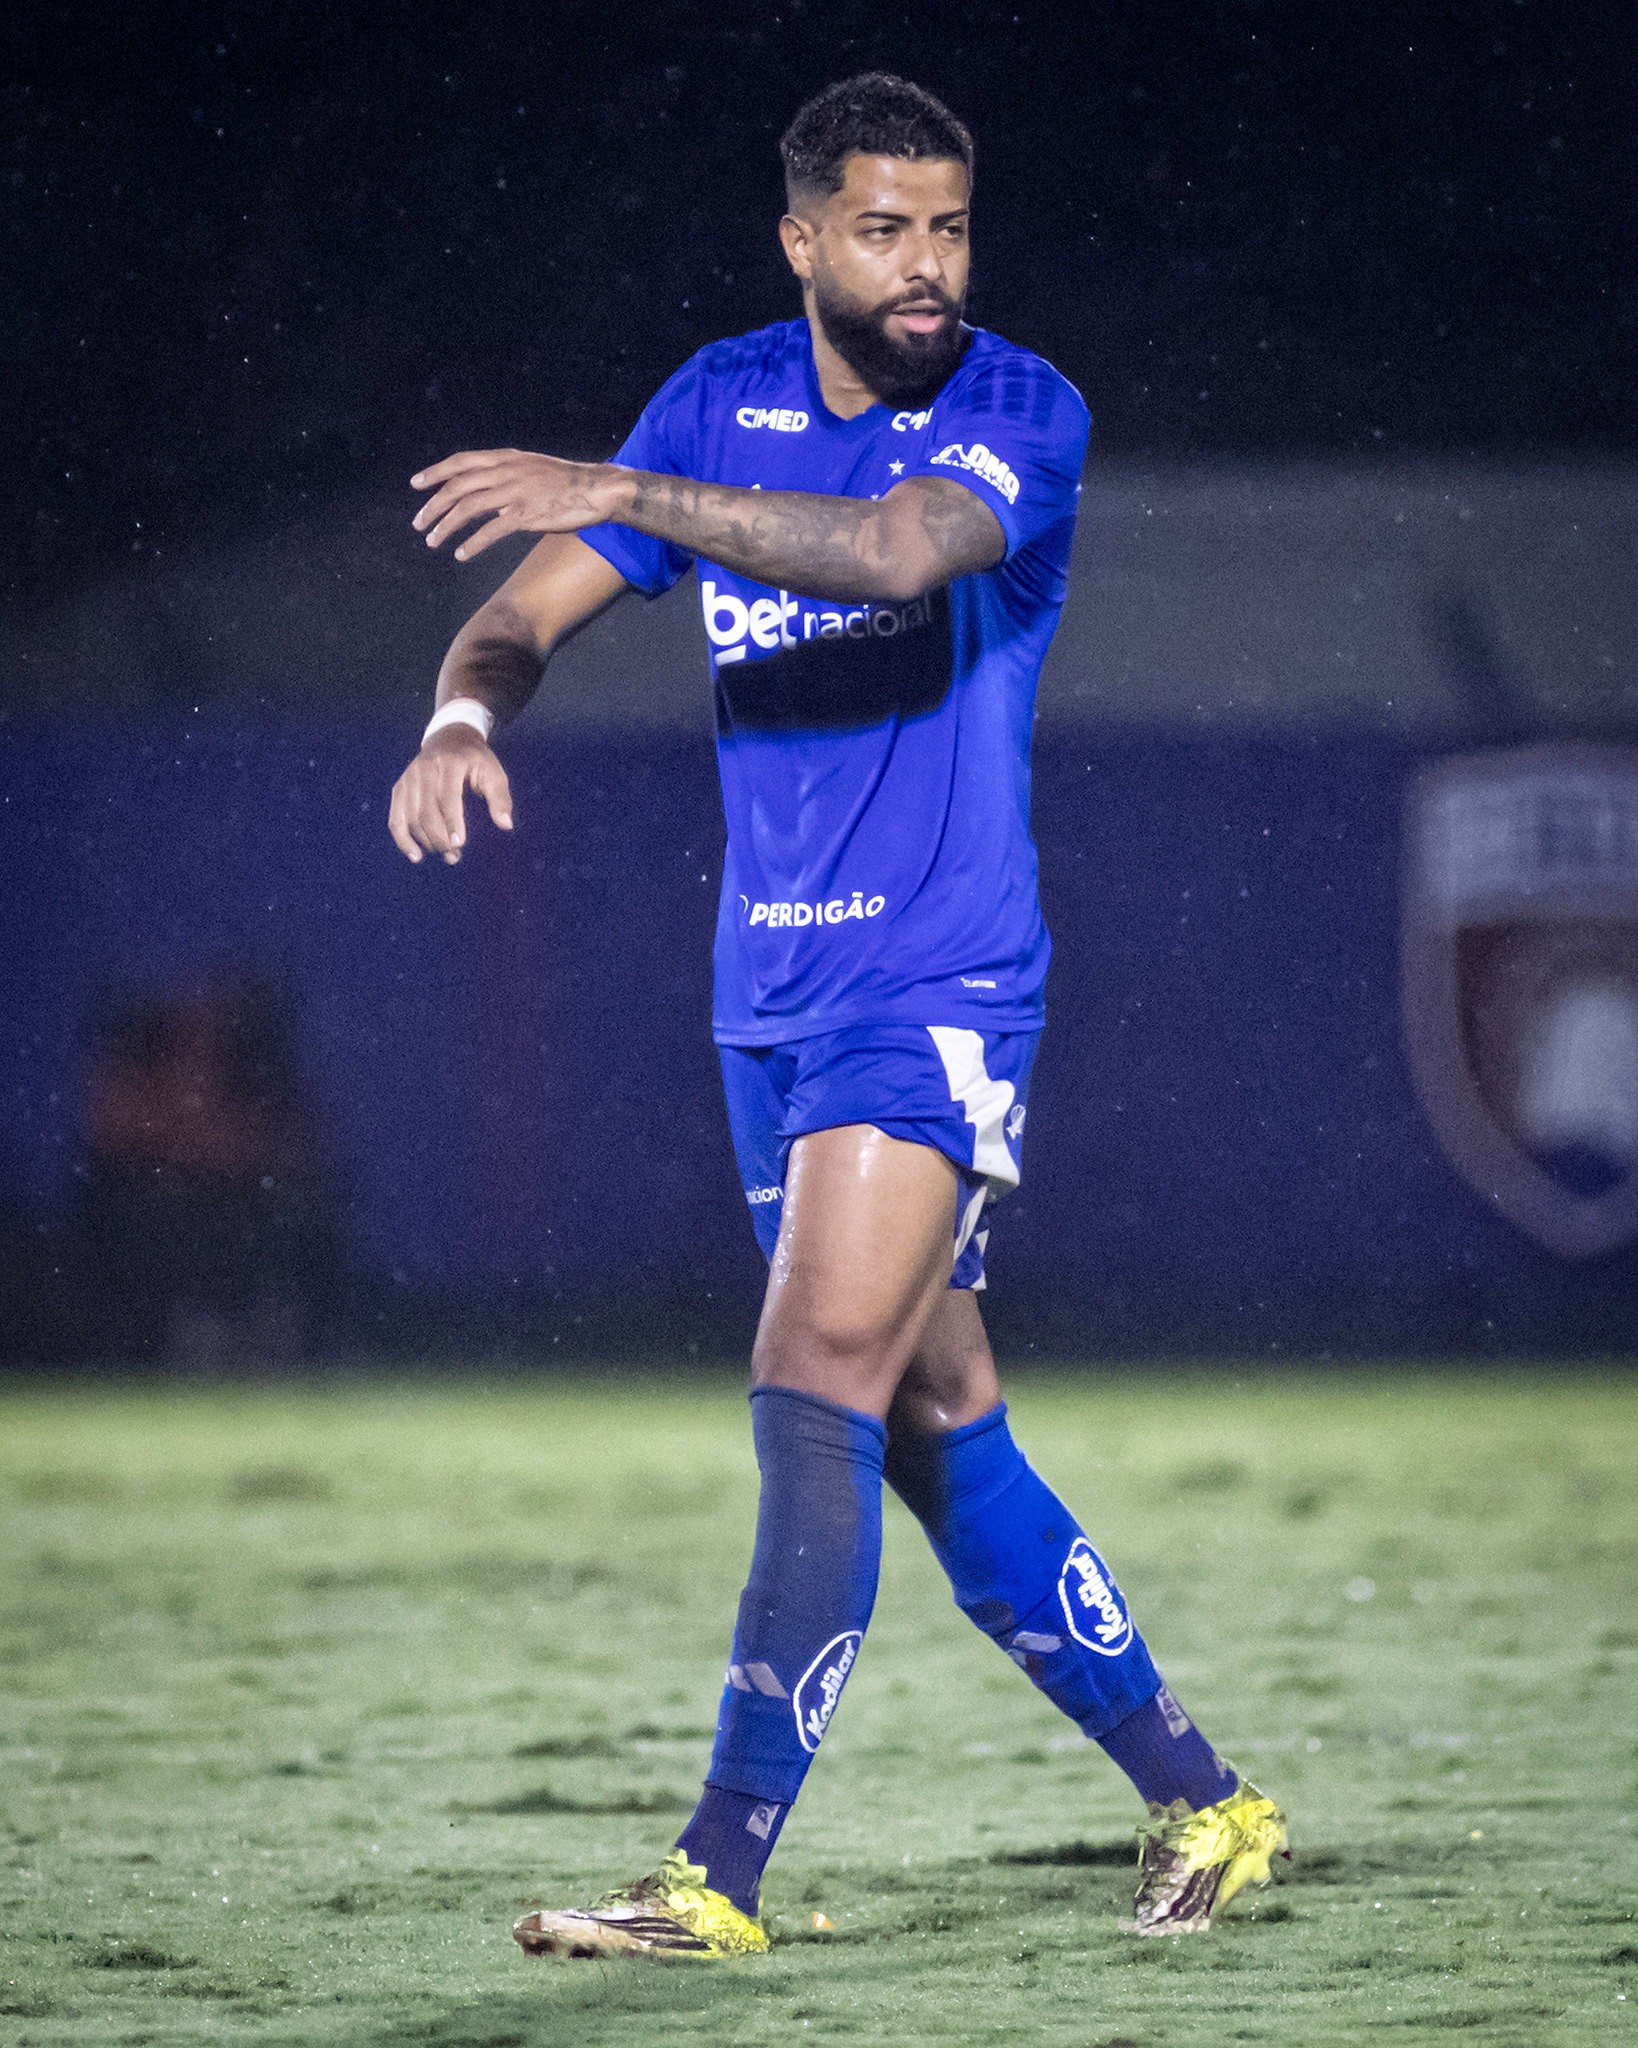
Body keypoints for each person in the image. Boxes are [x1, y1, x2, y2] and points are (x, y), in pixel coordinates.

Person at [388, 72, 1287, 1959]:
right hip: (769, 999)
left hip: (937, 986)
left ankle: (711, 1880)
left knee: (807, 1393)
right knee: (936, 1426)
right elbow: (524, 614)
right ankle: (1206, 1802)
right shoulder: (716, 400)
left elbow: (884, 558)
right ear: (801, 239)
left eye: (949, 225)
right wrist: (463, 713)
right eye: (884, 229)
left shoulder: (1020, 411)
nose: (927, 265)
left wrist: (625, 491)